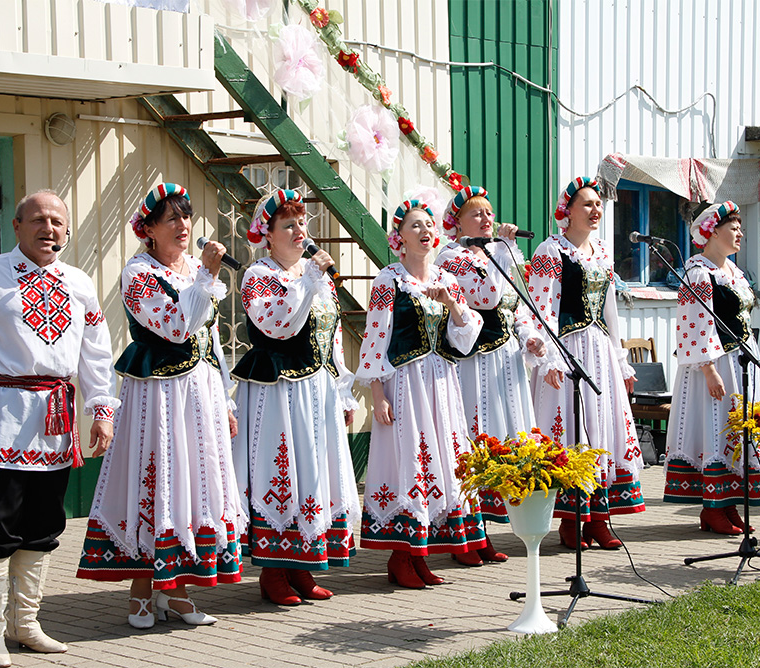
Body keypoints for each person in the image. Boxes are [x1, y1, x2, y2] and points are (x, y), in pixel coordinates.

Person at [0, 190, 118, 667]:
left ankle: (25, 623)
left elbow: (96, 353)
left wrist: (102, 409)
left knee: (43, 525)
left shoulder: (78, 283)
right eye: (38, 219)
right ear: (16, 226)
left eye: (58, 221)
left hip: (55, 423)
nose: (49, 228)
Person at [76, 183, 246, 628]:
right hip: (158, 396)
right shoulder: (138, 275)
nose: (183, 225)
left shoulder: (193, 268)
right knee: (158, 478)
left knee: (192, 480)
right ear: (148, 229)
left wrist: (226, 401)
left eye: (186, 216)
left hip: (200, 393)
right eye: (171, 217)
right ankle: (140, 590)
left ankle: (178, 590)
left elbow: (207, 341)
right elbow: (176, 328)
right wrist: (207, 278)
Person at [230, 190, 360, 606]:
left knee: (314, 471)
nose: (299, 231)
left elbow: (331, 335)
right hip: (279, 390)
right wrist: (308, 280)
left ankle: (303, 565)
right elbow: (279, 326)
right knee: (280, 469)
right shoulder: (258, 275)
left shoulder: (315, 275)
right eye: (288, 225)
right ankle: (273, 570)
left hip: (316, 387)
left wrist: (342, 391)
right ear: (267, 235)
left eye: (302, 223)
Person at [356, 199, 485, 588]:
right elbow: (375, 340)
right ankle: (401, 556)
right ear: (399, 238)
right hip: (405, 382)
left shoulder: (447, 280)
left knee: (440, 462)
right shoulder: (388, 280)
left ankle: (421, 554)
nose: (425, 231)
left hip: (440, 382)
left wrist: (453, 306)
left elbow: (466, 337)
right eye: (415, 226)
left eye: (429, 224)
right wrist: (377, 394)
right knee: (410, 459)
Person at [528, 176, 645, 550]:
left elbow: (609, 311)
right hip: (567, 347)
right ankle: (569, 517)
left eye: (598, 205)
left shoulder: (602, 252)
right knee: (571, 431)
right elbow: (541, 308)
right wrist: (548, 359)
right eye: (588, 205)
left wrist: (622, 360)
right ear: (568, 211)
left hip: (599, 350)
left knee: (603, 428)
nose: (596, 211)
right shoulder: (551, 251)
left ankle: (598, 516)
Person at [435, 186, 547, 564]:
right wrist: (502, 248)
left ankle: (482, 534)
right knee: (474, 439)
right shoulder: (452, 257)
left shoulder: (494, 253)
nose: (486, 220)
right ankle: (464, 533)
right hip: (472, 363)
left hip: (504, 362)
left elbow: (516, 303)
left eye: (489, 213)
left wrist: (529, 337)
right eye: (476, 214)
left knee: (504, 440)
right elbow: (487, 297)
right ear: (457, 222)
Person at [661, 202, 760, 534]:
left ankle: (728, 502)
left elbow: (741, 317)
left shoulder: (733, 272)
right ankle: (713, 507)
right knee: (717, 426)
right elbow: (693, 325)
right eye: (733, 227)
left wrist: (755, 352)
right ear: (712, 231)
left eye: (740, 227)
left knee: (738, 427)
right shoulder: (699, 272)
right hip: (714, 361)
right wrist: (707, 368)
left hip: (741, 359)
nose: (740, 232)